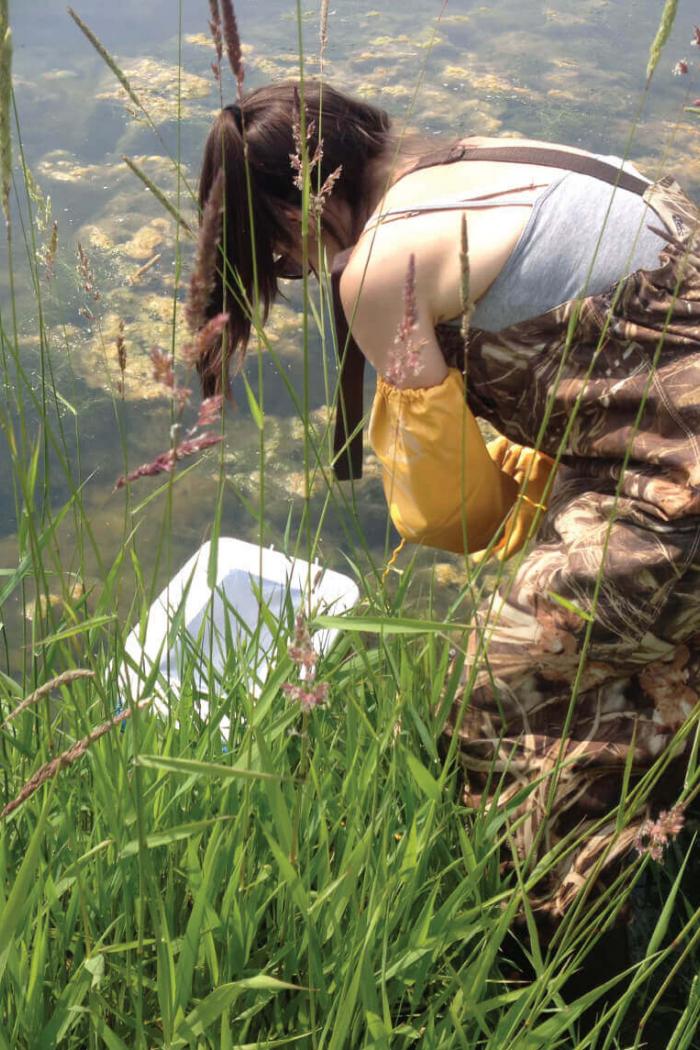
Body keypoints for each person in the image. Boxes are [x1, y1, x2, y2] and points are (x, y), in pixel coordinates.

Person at [195, 81, 700, 913]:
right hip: (654, 440)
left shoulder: (376, 271)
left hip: (674, 490)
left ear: (291, 216)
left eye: (280, 255)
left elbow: (455, 514)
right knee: (625, 650)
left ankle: (546, 940)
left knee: (491, 699)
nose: (296, 268)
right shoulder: (483, 158)